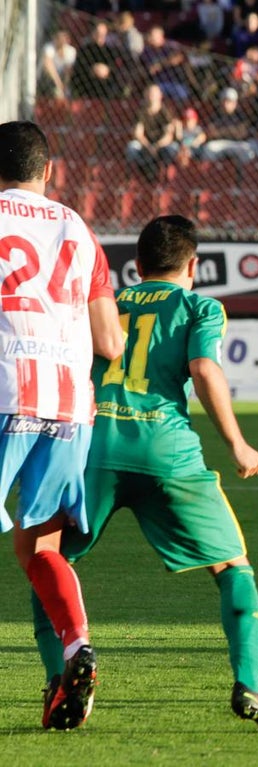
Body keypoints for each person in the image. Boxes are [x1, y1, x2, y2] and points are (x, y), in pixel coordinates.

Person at [30, 215, 258, 733]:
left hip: (90, 447)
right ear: (193, 265)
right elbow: (203, 369)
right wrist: (237, 444)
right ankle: (250, 684)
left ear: (137, 265)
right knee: (232, 568)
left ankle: (58, 679)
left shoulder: (104, 306)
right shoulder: (200, 306)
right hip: (167, 451)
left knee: (46, 563)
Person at [0, 120, 123, 730]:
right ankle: (76, 647)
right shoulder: (77, 226)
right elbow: (109, 339)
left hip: (2, 389)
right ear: (47, 172)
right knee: (39, 548)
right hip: (69, 404)